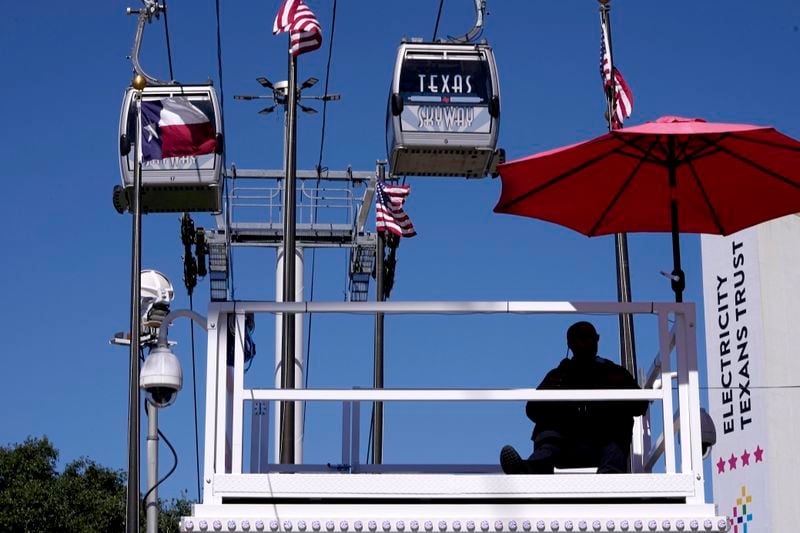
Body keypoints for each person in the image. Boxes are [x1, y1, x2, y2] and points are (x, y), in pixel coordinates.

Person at [500, 321, 649, 474]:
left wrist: (607, 401)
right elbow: (532, 409)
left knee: (620, 420)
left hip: (601, 442)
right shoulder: (557, 375)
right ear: (570, 344)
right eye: (580, 337)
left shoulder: (615, 373)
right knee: (548, 423)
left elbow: (640, 405)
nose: (586, 341)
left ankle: (610, 476)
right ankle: (530, 470)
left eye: (590, 337)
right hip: (564, 444)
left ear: (597, 340)